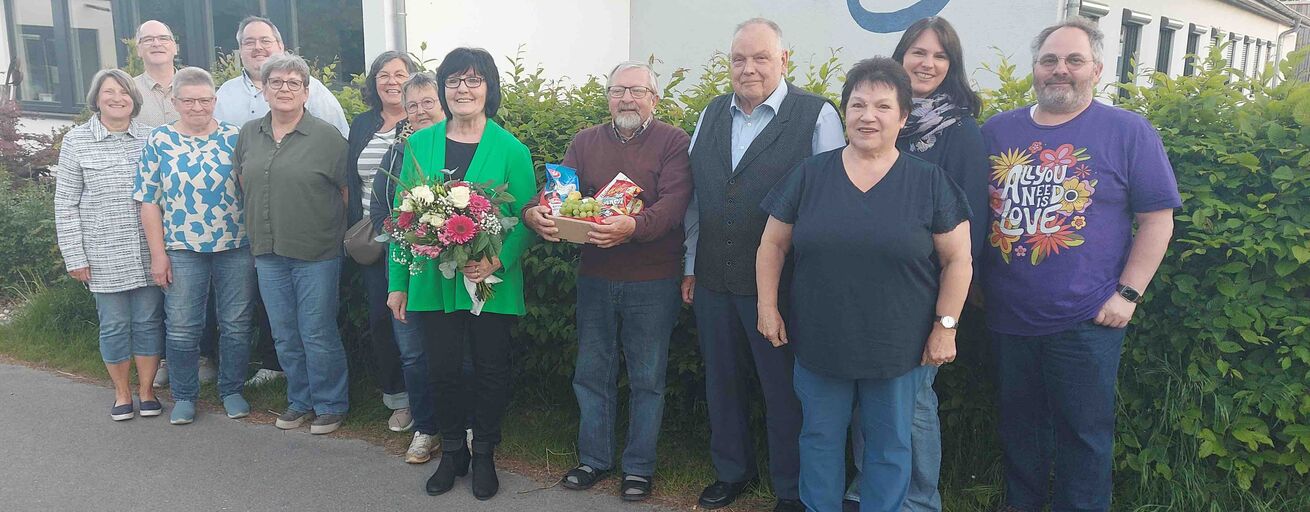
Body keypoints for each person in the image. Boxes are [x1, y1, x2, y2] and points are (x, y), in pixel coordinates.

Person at [758, 57, 972, 512]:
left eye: (882, 106)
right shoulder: (810, 175)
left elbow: (958, 260)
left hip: (899, 346)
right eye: (857, 105)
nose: (867, 116)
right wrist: (767, 306)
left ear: (903, 117)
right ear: (845, 112)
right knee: (819, 439)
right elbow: (772, 245)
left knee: (890, 446)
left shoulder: (930, 182)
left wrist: (946, 326)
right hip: (820, 339)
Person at [982, 19, 1179, 512]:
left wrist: (1128, 294)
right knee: (1019, 431)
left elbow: (1157, 220)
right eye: (1049, 60)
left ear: (1096, 69)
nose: (1060, 70)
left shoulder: (1128, 131)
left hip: (1087, 319)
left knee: (1085, 437)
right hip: (1008, 316)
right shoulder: (997, 131)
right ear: (1034, 68)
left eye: (1074, 60)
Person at [681, 18, 845, 512]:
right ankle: (731, 472)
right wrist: (690, 263)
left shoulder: (817, 115)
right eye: (739, 59)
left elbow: (831, 203)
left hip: (784, 286)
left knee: (784, 391)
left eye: (760, 58)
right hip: (713, 277)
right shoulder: (711, 113)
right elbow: (697, 199)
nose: (748, 68)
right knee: (721, 382)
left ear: (783, 61)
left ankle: (791, 488)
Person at [523, 61, 692, 502]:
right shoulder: (585, 141)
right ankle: (594, 459)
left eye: (637, 91)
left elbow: (675, 205)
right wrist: (536, 212)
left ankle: (638, 468)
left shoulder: (674, 141)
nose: (627, 99)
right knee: (592, 372)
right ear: (608, 98)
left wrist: (633, 227)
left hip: (653, 279)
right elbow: (559, 193)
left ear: (655, 99)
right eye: (618, 91)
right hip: (595, 277)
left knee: (647, 378)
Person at [844, 16, 990, 510]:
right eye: (918, 52)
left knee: (913, 401)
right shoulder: (882, 119)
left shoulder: (960, 132)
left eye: (940, 55)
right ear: (900, 57)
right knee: (868, 393)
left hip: (923, 292)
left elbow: (970, 227)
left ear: (952, 65)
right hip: (866, 288)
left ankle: (918, 498)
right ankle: (869, 489)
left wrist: (948, 313)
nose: (928, 63)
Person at [386, 47, 535, 501]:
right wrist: (397, 283)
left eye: (473, 80)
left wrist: (497, 260)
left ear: (489, 88)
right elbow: (404, 218)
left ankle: (484, 452)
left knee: (490, 370)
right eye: (453, 81)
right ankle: (453, 452)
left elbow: (527, 219)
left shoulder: (512, 150)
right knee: (443, 369)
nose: (462, 89)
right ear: (443, 89)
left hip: (490, 281)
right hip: (433, 279)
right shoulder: (420, 144)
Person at [233, 52, 351, 435]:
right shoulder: (249, 134)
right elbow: (243, 181)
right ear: (264, 90)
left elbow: (345, 193)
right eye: (276, 82)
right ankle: (300, 400)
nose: (284, 89)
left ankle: (330, 404)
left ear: (306, 91)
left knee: (317, 330)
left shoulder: (327, 137)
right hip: (268, 251)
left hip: (316, 252)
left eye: (293, 83)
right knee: (284, 332)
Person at [135, 67, 256, 425]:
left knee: (236, 323)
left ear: (215, 100)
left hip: (235, 245)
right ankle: (185, 395)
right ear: (175, 102)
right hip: (182, 249)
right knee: (182, 326)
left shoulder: (235, 137)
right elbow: (148, 201)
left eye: (205, 100)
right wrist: (158, 255)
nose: (198, 107)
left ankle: (231, 390)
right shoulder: (159, 140)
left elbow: (252, 189)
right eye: (189, 101)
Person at [54, 69, 164, 421]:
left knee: (148, 322)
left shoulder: (152, 138)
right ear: (96, 99)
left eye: (124, 92)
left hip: (148, 250)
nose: (117, 98)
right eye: (109, 92)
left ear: (134, 99)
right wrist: (74, 255)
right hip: (103, 253)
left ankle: (146, 391)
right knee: (114, 325)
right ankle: (121, 393)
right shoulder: (77, 141)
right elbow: (65, 203)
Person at [372, 71, 446, 463]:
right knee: (413, 353)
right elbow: (381, 210)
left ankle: (465, 427)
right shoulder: (398, 154)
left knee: (460, 355)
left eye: (428, 102)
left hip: (453, 271)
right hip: (407, 267)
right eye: (412, 105)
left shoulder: (461, 147)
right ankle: (426, 428)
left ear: (443, 104)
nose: (420, 111)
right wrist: (411, 234)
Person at [346, 50, 418, 433]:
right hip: (374, 241)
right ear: (373, 82)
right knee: (382, 319)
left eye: (400, 74)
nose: (392, 82)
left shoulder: (420, 120)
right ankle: (398, 398)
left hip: (415, 238)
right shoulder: (363, 124)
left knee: (414, 319)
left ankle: (426, 398)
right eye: (383, 75)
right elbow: (350, 180)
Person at [214, 16, 349, 137]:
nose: (258, 47)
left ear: (280, 46)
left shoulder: (312, 89)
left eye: (265, 41)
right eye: (249, 42)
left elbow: (338, 139)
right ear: (240, 50)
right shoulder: (225, 93)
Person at [132, 20, 180, 129]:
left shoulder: (196, 87)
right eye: (148, 39)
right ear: (138, 50)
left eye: (163, 38)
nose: (156, 44)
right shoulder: (128, 91)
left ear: (175, 47)